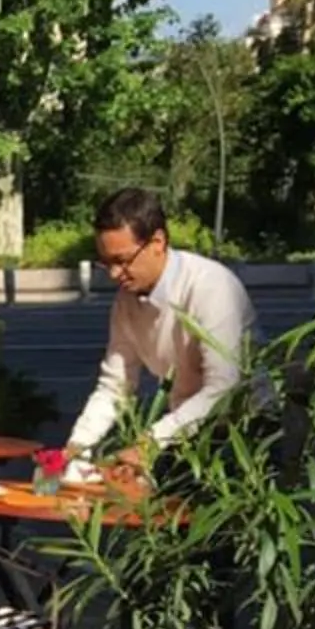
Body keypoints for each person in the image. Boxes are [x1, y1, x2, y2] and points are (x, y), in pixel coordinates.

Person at [70, 187, 257, 468]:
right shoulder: (126, 301)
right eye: (106, 263)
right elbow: (115, 386)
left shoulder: (211, 286)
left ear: (157, 242)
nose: (114, 274)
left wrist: (150, 442)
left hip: (247, 433)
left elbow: (224, 387)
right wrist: (77, 446)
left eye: (122, 261)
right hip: (184, 429)